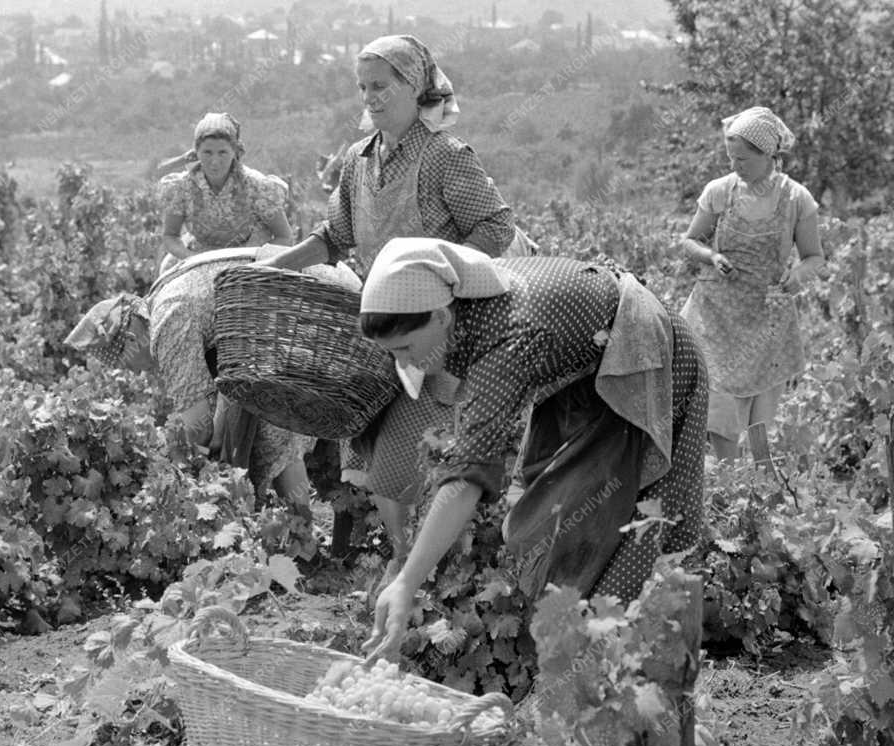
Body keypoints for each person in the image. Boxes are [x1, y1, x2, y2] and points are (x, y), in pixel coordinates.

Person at [354, 238, 708, 663]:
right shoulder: (469, 307)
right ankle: (590, 654)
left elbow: (467, 477)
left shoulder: (508, 338)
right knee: (544, 520)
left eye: (405, 349)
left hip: (645, 358)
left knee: (614, 523)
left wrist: (406, 582)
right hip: (587, 372)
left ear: (441, 316)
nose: (405, 363)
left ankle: (614, 663)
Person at [260, 34, 518, 572]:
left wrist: (442, 283)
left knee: (417, 446)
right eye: (363, 88)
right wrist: (272, 268)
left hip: (442, 332)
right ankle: (406, 562)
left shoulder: (445, 156)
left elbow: (496, 226)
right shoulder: (358, 160)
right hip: (384, 331)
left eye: (380, 86)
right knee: (374, 448)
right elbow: (334, 236)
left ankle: (424, 566)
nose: (370, 97)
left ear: (414, 86)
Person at [63, 261, 316, 512]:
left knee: (273, 438)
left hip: (292, 321)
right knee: (274, 441)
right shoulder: (161, 298)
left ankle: (300, 535)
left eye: (129, 364)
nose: (137, 372)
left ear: (131, 340)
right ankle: (301, 537)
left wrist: (170, 463)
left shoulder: (167, 324)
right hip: (280, 318)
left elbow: (200, 426)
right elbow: (208, 406)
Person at [680, 106, 824, 461]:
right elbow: (689, 241)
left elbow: (815, 257)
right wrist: (711, 257)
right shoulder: (719, 191)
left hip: (767, 318)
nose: (735, 166)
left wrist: (798, 276)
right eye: (731, 157)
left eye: (743, 159)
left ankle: (757, 493)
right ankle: (730, 486)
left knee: (760, 425)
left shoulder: (796, 199)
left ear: (768, 155)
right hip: (716, 315)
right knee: (719, 406)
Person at [158, 113, 293, 274]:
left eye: (222, 152)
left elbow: (284, 236)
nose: (215, 161)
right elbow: (170, 236)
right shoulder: (181, 187)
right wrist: (191, 258)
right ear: (196, 152)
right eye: (207, 152)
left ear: (235, 152)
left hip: (249, 260)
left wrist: (255, 263)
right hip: (199, 259)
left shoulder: (257, 186)